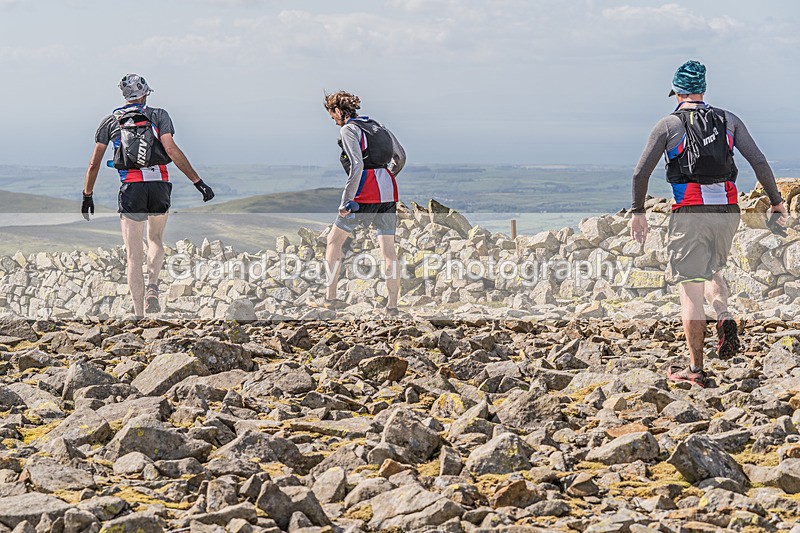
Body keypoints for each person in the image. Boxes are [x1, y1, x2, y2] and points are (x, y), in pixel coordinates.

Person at [630, 60, 788, 388]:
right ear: (703, 90)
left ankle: (696, 369)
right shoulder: (729, 120)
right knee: (714, 270)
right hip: (727, 212)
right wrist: (776, 202)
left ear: (677, 92)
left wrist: (638, 211)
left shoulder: (668, 125)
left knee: (690, 291)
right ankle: (724, 313)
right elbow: (758, 161)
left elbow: (639, 173)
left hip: (690, 214)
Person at [81, 74, 215, 317]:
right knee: (155, 240)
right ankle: (153, 286)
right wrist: (198, 182)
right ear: (144, 94)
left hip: (132, 188)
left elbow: (94, 164)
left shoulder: (110, 122)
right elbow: (171, 150)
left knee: (133, 254)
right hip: (159, 185)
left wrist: (87, 195)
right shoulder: (159, 115)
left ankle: (139, 315)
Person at [309, 91, 406, 315]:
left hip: (364, 195)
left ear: (337, 111)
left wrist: (346, 201)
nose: (332, 119)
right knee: (389, 252)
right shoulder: (378, 125)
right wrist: (386, 177)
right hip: (388, 193)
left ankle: (330, 299)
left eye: (331, 114)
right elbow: (401, 157)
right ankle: (392, 307)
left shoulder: (348, 130)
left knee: (334, 241)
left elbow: (356, 166)